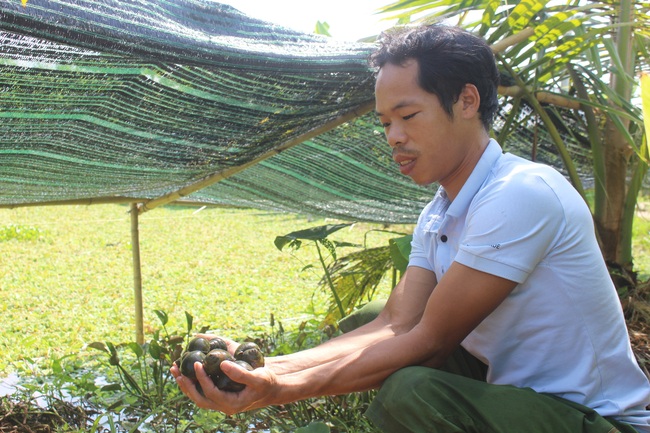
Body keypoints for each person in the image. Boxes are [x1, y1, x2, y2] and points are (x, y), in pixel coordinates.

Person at [172, 24, 650, 432]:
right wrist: (263, 367)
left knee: (413, 389)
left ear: (466, 101)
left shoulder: (521, 193)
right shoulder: (440, 211)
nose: (394, 136)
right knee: (371, 319)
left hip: (593, 418)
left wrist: (280, 390)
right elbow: (395, 324)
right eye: (385, 122)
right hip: (517, 397)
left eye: (408, 116)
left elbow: (431, 341)